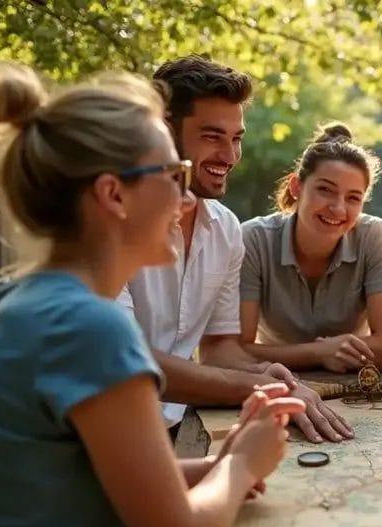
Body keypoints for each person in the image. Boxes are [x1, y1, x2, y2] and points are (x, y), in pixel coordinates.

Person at [0, 62, 305, 527]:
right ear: (113, 195)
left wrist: (219, 464)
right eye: (172, 176)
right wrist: (241, 466)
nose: (183, 197)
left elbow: (75, 480)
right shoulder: (89, 328)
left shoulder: (5, 299)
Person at [118, 55, 350, 444]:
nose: (229, 156)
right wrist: (257, 388)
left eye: (236, 138)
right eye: (212, 136)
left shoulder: (226, 229)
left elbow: (220, 349)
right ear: (162, 129)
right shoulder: (115, 222)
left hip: (171, 432)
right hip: (92, 437)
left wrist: (267, 374)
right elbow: (128, 363)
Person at [239, 123, 382, 377]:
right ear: (296, 187)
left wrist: (321, 353)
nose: (338, 208)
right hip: (275, 380)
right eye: (325, 190)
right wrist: (319, 353)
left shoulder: (373, 235)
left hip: (350, 383)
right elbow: (235, 351)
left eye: (353, 198)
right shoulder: (254, 239)